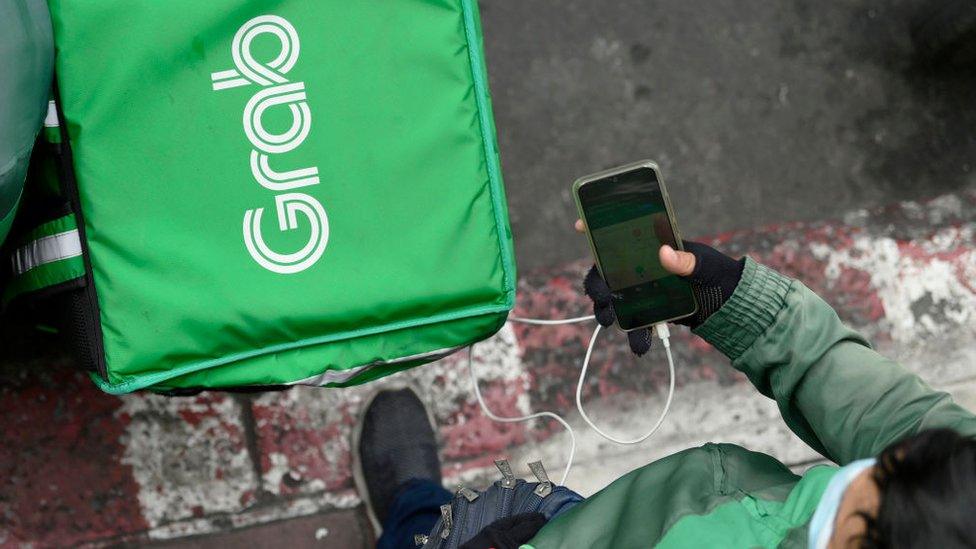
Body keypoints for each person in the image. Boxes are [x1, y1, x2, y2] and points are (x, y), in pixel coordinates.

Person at [353, 230, 976, 548]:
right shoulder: (951, 482)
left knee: (434, 529)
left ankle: (408, 510)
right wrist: (731, 299)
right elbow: (893, 414)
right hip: (609, 523)